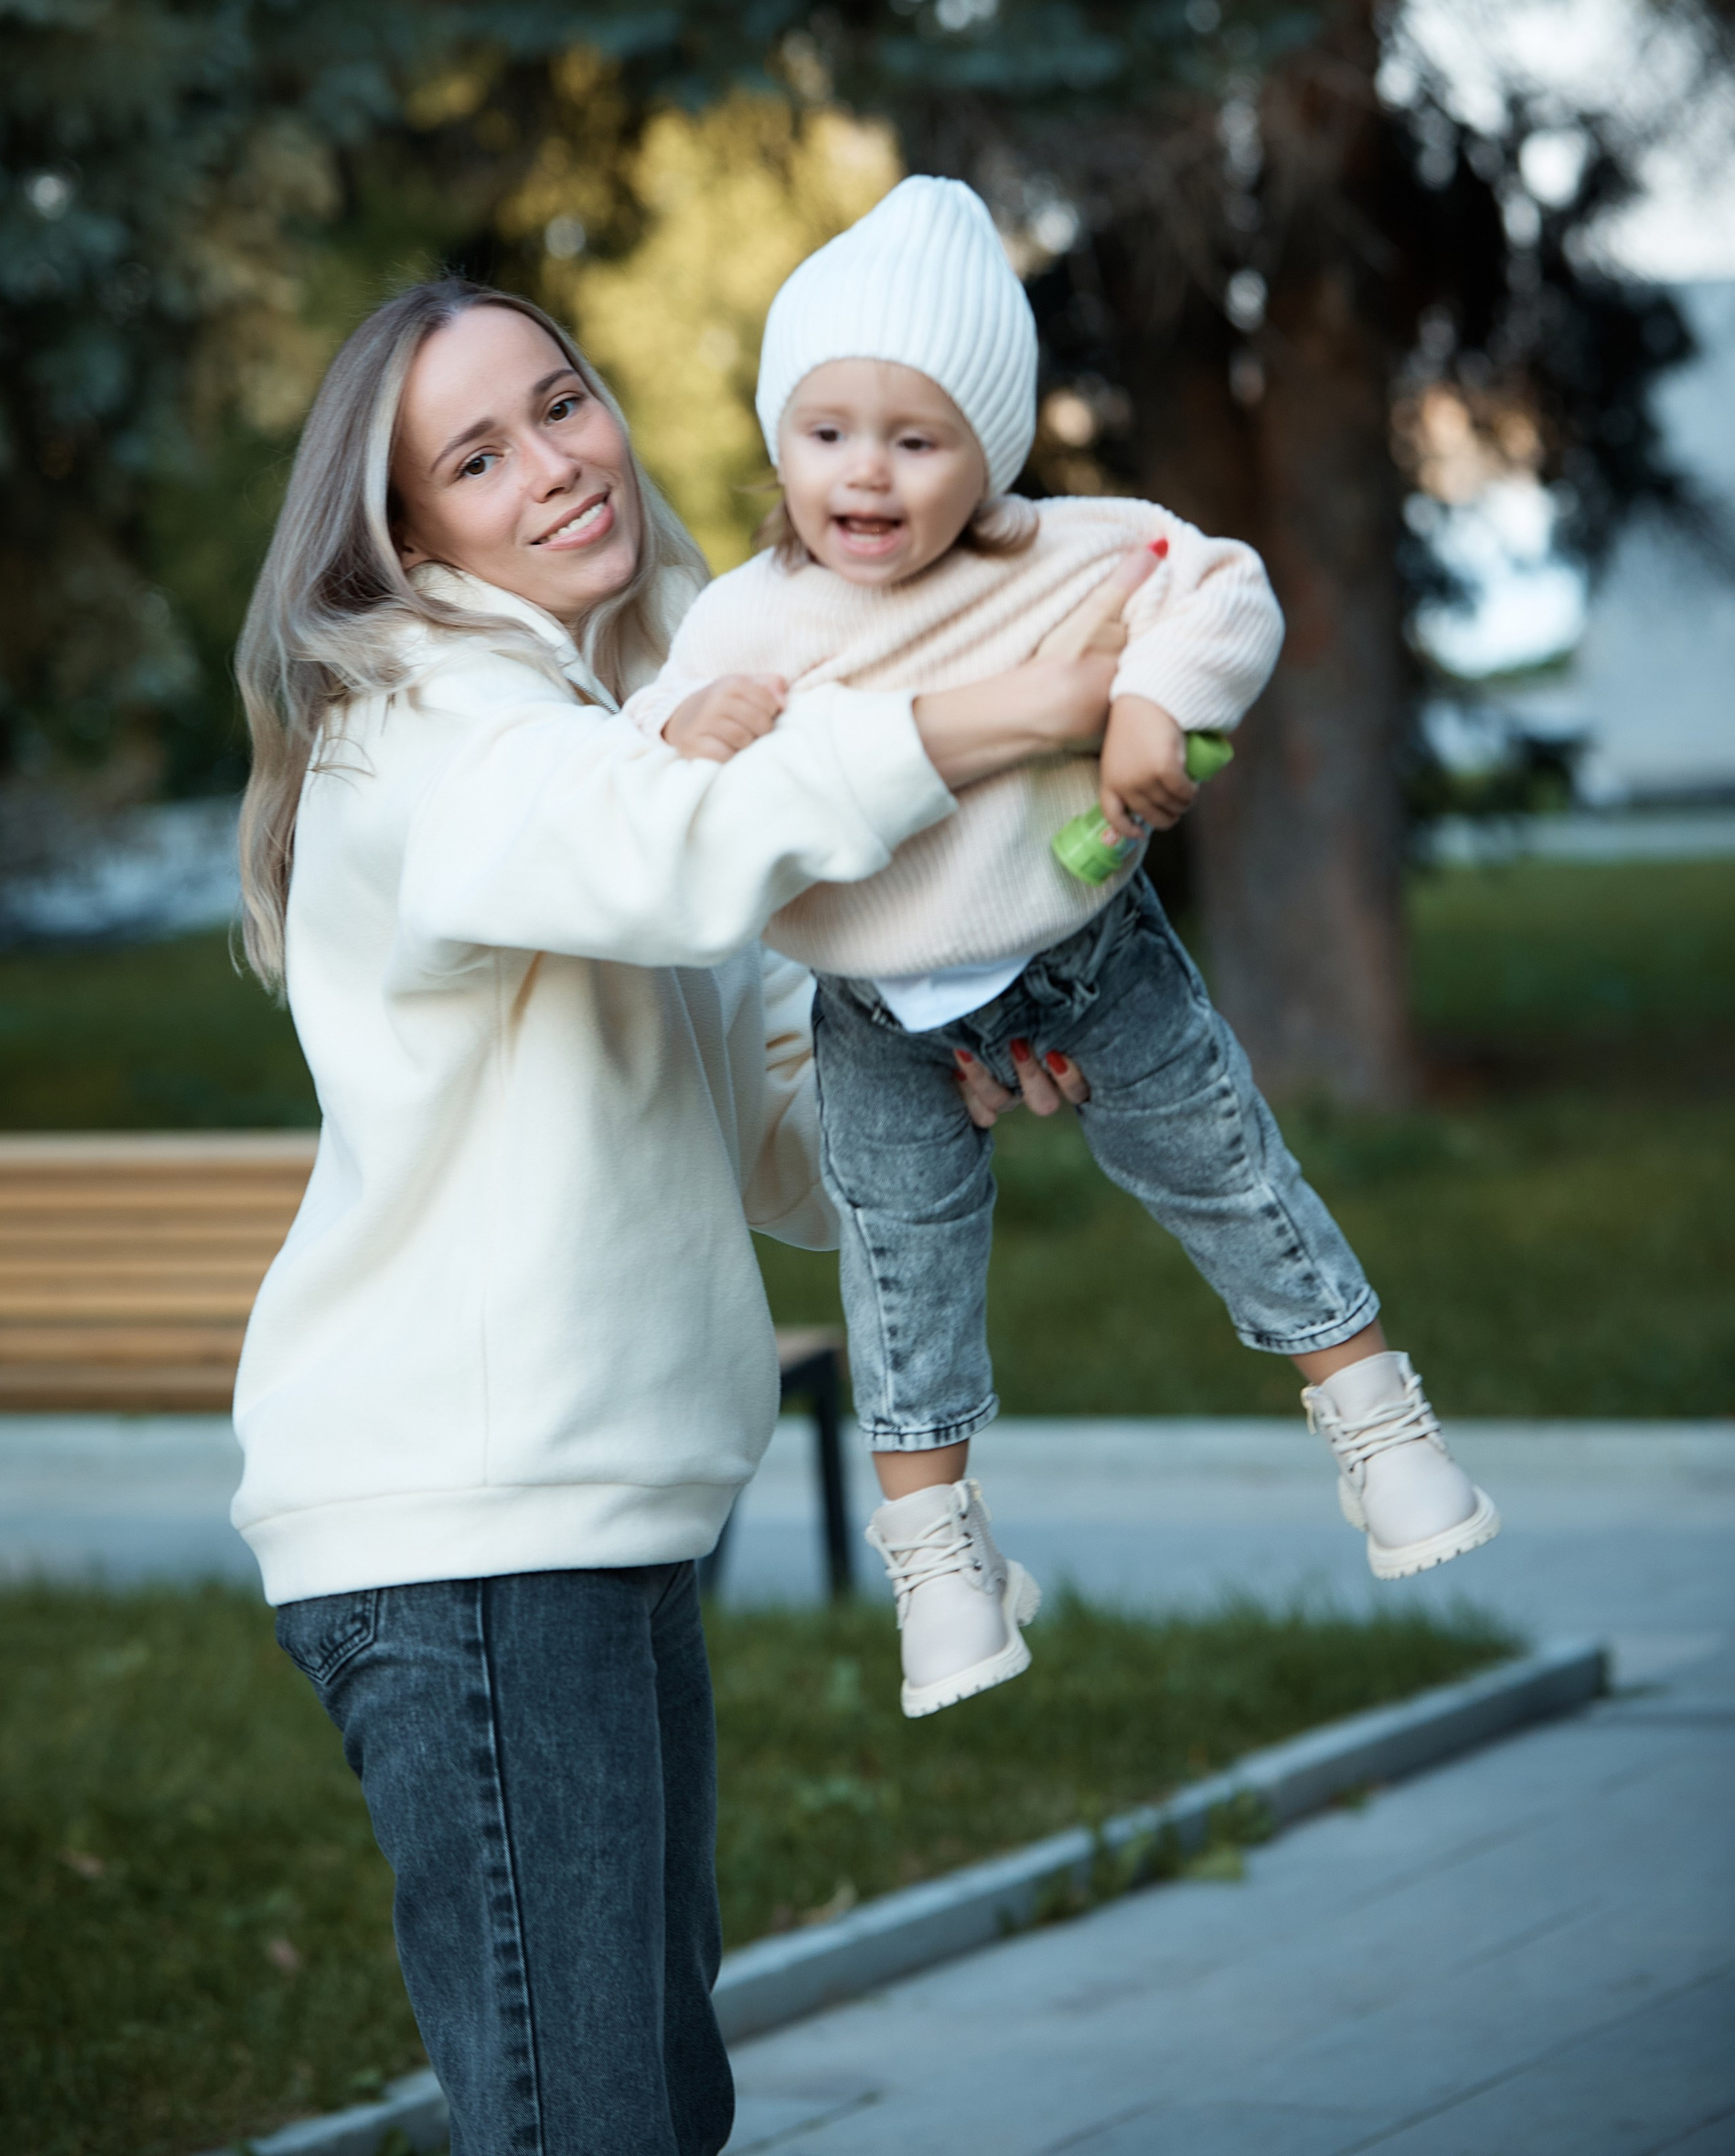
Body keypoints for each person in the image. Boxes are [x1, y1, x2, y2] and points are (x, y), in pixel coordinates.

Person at [228, 277, 1128, 2156]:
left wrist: (936, 1075)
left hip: (602, 1505)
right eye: (476, 458)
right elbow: (656, 843)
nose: (555, 464)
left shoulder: (620, 718)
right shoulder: (428, 726)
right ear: (409, 536)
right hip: (464, 1522)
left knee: (651, 2100)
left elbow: (779, 1145)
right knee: (590, 2121)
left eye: (559, 404)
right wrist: (977, 719)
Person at [628, 176, 1500, 1722]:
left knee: (1220, 1166)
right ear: (779, 441)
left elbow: (1216, 587)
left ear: (991, 454)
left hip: (1085, 945)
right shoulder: (747, 620)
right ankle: (942, 1573)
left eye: (917, 439)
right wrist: (678, 727)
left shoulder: (1064, 554)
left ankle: (1382, 1436)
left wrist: (1156, 702)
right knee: (905, 1269)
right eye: (827, 433)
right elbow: (646, 785)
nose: (868, 476)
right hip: (875, 1009)